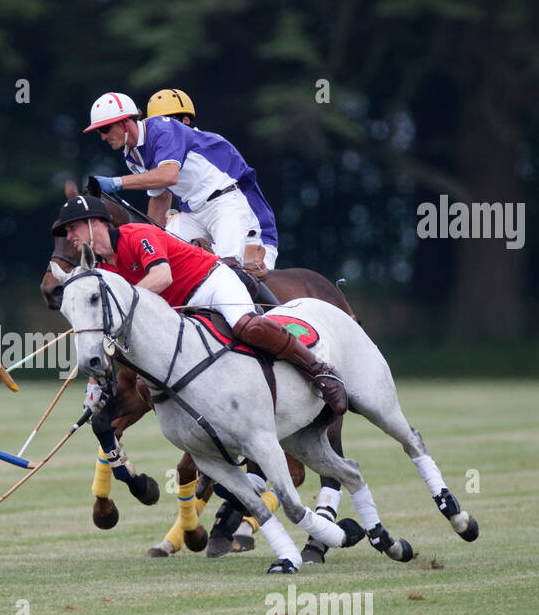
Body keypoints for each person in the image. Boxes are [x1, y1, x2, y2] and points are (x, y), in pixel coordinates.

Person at [51, 195, 346, 413]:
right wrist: (95, 382)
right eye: (66, 232)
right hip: (181, 312)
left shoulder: (138, 235)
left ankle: (320, 372)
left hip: (210, 282)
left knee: (248, 326)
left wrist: (123, 301)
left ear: (95, 223)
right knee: (148, 381)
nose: (69, 237)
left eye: (72, 228)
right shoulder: (102, 270)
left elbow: (162, 276)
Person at [85, 91, 279, 280]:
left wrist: (117, 182)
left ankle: (268, 311)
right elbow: (159, 198)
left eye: (105, 129)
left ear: (125, 123)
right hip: (193, 214)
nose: (102, 137)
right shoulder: (131, 157)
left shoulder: (163, 128)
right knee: (160, 259)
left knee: (227, 272)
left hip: (225, 204)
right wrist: (147, 240)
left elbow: (169, 176)